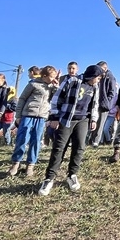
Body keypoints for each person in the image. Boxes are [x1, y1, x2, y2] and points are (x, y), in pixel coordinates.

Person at [39, 65, 101, 196]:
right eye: (98, 77)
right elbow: (56, 98)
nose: (98, 80)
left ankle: (72, 175)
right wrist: (54, 117)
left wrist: (94, 119)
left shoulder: (95, 87)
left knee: (79, 147)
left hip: (83, 120)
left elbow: (94, 104)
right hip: (66, 119)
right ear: (92, 76)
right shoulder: (72, 81)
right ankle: (49, 178)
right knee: (59, 147)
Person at [11, 65, 58, 177]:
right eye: (51, 77)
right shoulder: (33, 84)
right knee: (22, 139)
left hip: (42, 117)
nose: (53, 79)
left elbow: (55, 99)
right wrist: (18, 115)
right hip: (28, 115)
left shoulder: (52, 87)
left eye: (54, 77)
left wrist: (56, 87)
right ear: (44, 76)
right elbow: (22, 99)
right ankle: (16, 163)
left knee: (36, 140)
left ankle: (30, 165)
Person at [91, 61, 118, 147]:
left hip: (104, 105)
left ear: (105, 68)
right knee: (93, 121)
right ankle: (90, 140)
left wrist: (107, 102)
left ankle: (95, 142)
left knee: (100, 123)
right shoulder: (97, 77)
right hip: (95, 102)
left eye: (100, 69)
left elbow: (112, 92)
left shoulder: (110, 77)